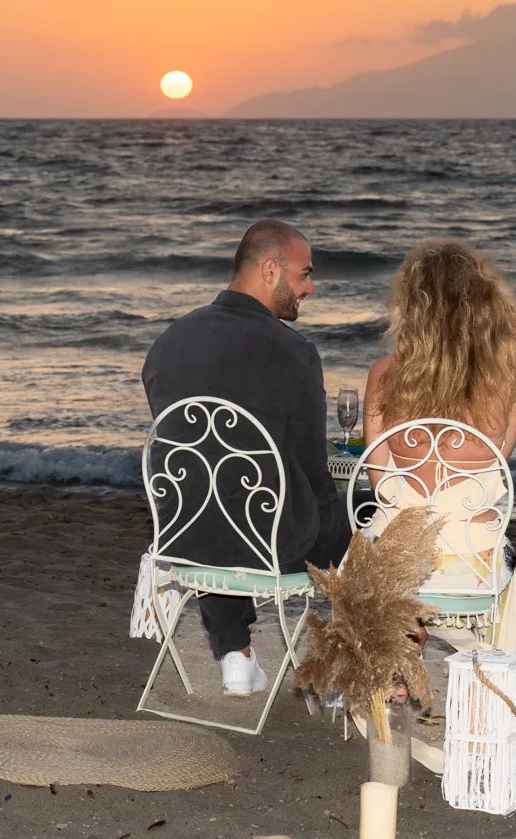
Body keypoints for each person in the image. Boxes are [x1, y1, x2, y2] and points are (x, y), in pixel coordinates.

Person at [142, 219, 351, 697]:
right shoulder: (294, 352)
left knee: (219, 494)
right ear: (270, 270)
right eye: (304, 274)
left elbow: (183, 451)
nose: (310, 289)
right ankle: (361, 664)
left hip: (183, 534)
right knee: (365, 511)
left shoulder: (167, 344)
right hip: (269, 544)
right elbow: (314, 472)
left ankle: (235, 653)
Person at [359, 239, 516, 646]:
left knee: (364, 549)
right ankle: (479, 655)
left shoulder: (383, 374)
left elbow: (381, 484)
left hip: (399, 560)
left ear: (412, 307)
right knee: (497, 553)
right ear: (483, 305)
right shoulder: (509, 376)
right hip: (474, 562)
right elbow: (497, 463)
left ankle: (399, 654)